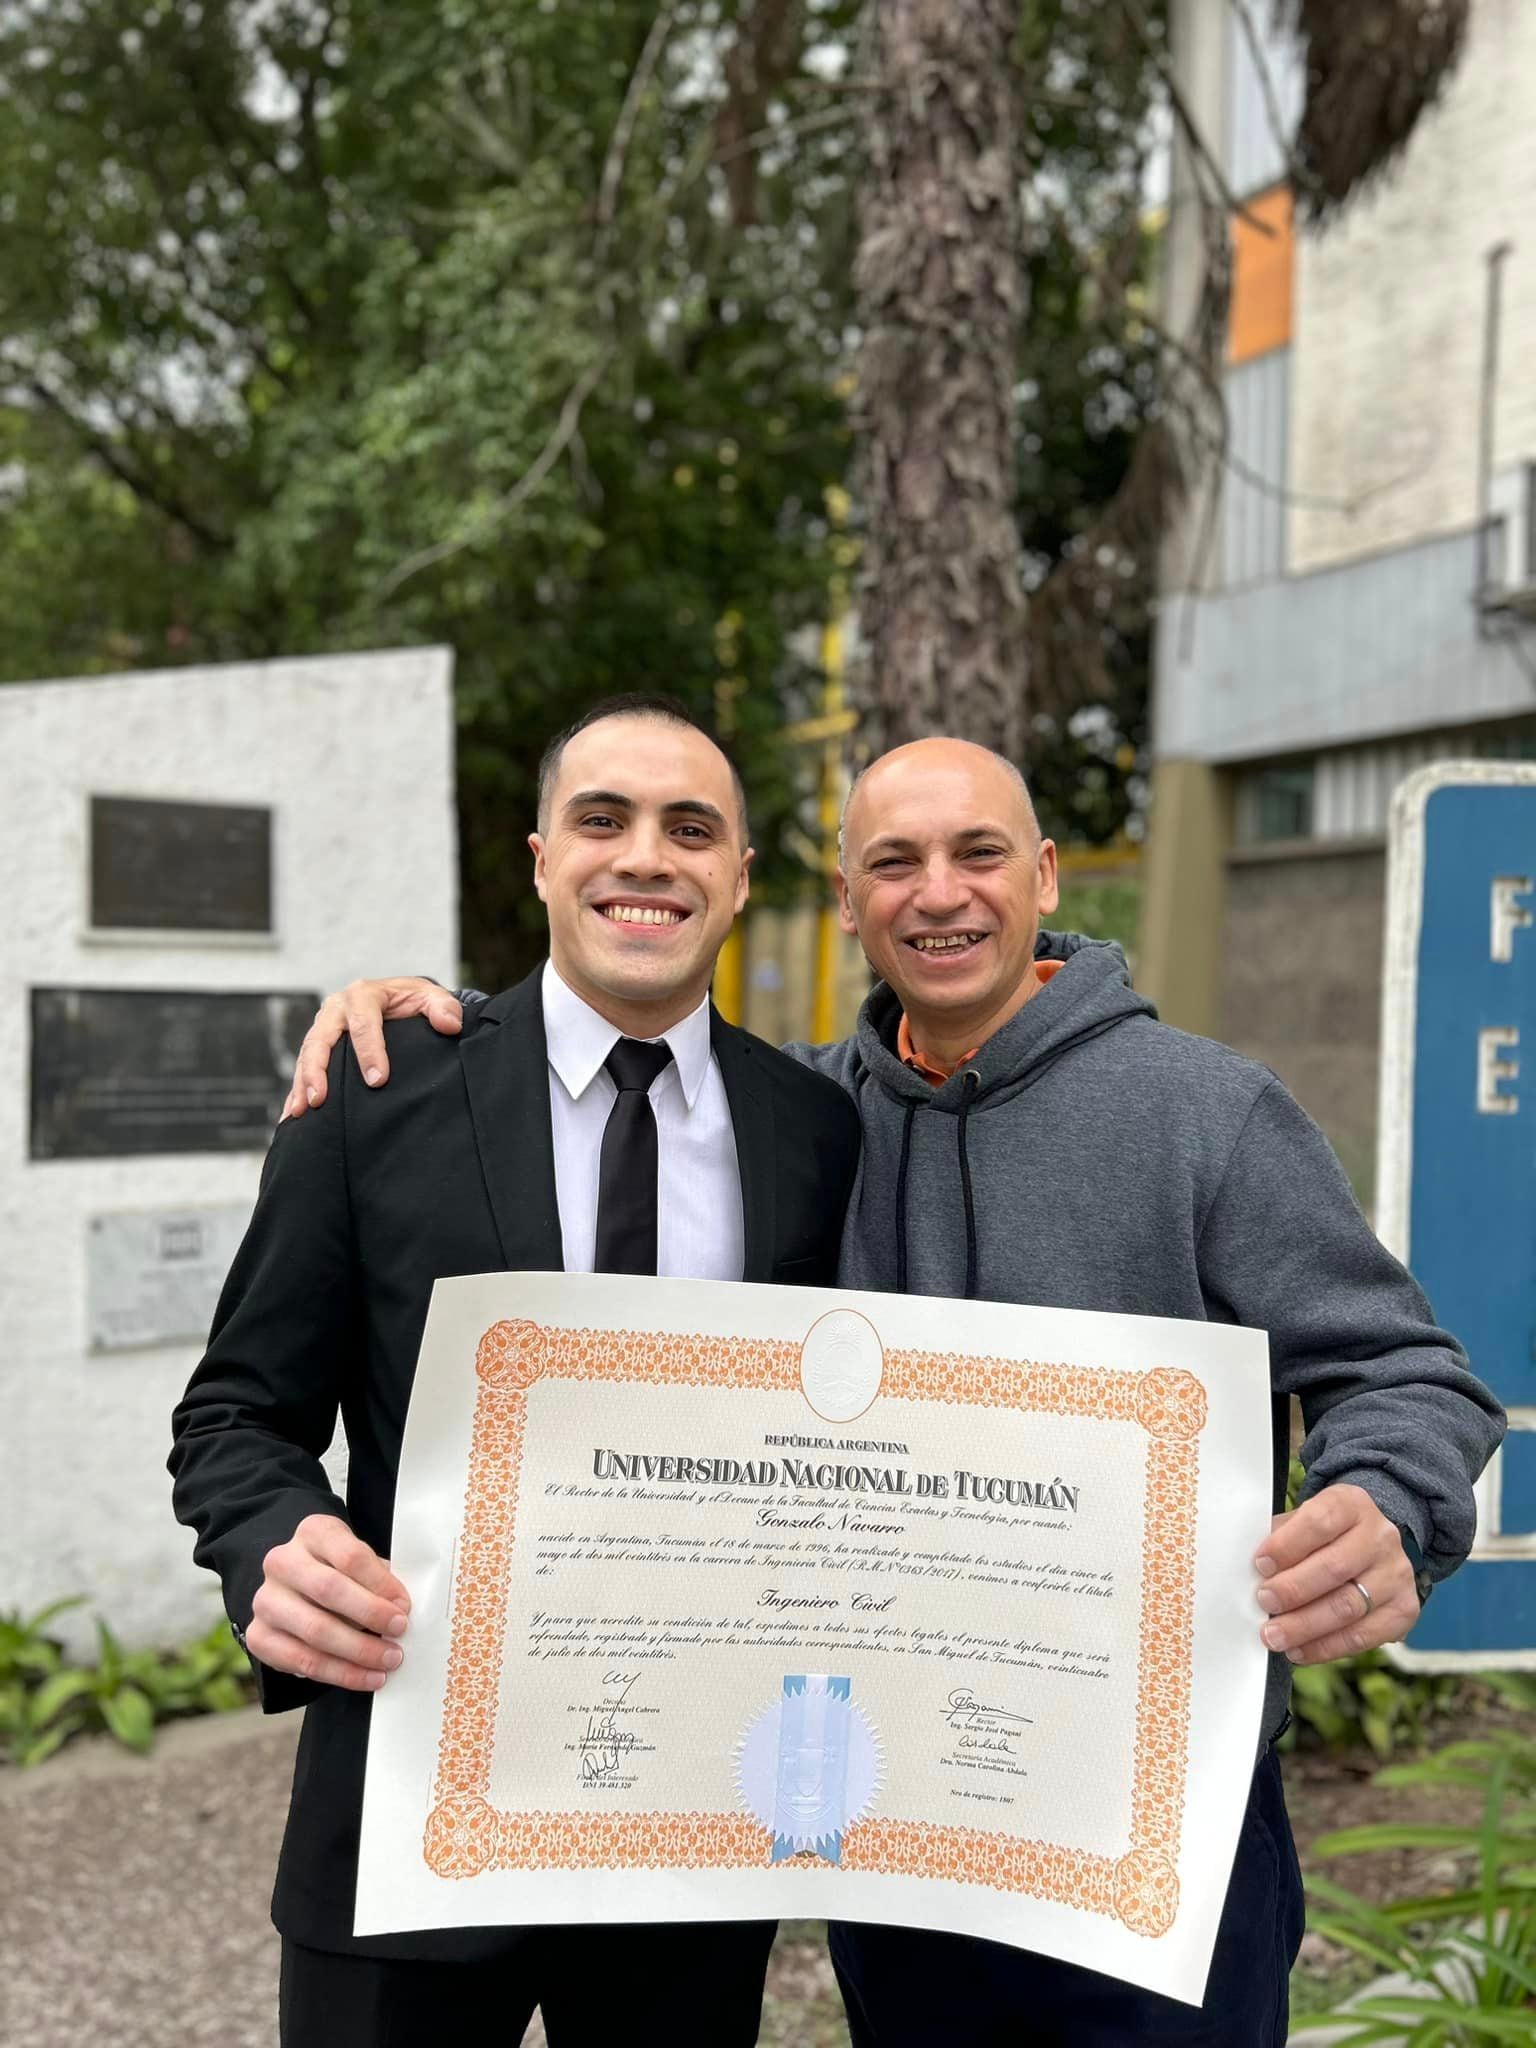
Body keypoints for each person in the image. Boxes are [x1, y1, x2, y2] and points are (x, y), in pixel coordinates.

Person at [289, 735, 1504, 2046]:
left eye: (979, 853)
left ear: (1042, 875)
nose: (940, 893)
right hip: (898, 1839)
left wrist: (1387, 1497)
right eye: (894, 864)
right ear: (851, 902)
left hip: (1151, 1833)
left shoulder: (1207, 1115)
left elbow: (1402, 1369)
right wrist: (434, 1016)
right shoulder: (808, 1118)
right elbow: (605, 1067)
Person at [168, 695, 861, 2048]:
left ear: (737, 879)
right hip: (407, 1821)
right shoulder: (375, 1092)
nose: (646, 857)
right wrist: (275, 1546)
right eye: (603, 819)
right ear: (541, 858)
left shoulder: (816, 1133)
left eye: (691, 828)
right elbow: (236, 1414)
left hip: (692, 1837)